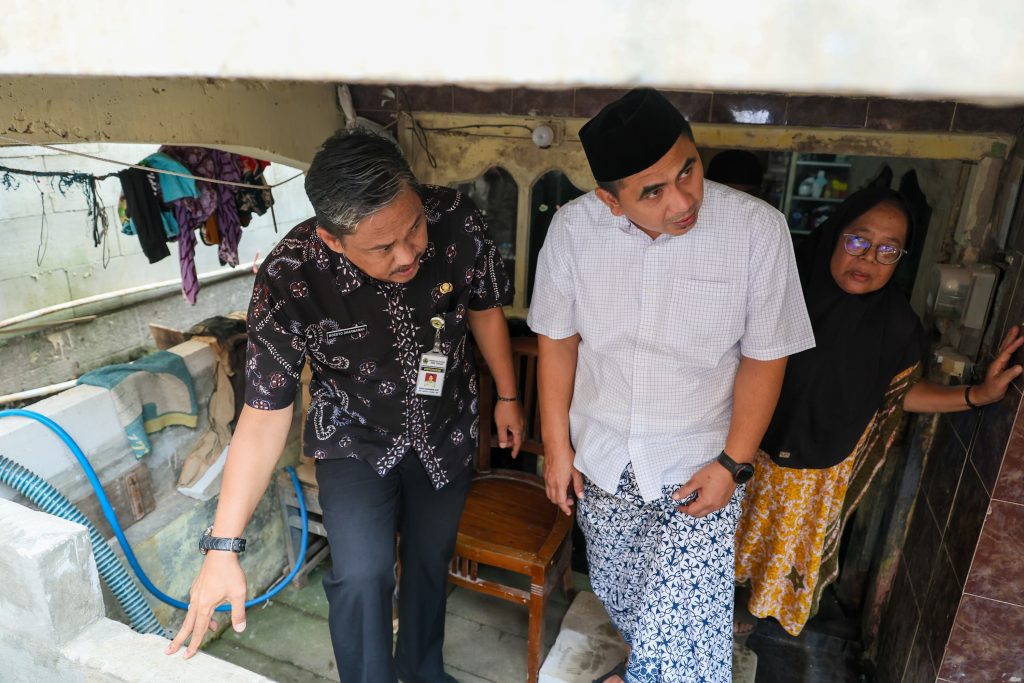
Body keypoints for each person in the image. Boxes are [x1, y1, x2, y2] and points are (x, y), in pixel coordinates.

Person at [165, 129, 524, 683]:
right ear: (333, 240)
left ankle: (421, 671)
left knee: (430, 562)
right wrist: (222, 548)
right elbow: (264, 411)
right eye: (382, 247)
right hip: (353, 436)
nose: (409, 254)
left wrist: (508, 395)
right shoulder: (290, 275)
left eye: (414, 228)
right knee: (361, 576)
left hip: (446, 427)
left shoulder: (456, 219)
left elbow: (482, 309)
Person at [527, 88, 816, 683]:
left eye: (688, 170)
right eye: (652, 192)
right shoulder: (573, 231)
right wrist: (556, 447)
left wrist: (733, 463)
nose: (683, 200)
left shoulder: (757, 231)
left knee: (684, 635)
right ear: (610, 200)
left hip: (699, 465)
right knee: (627, 597)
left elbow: (766, 357)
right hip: (604, 459)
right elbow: (558, 341)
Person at [733, 186, 1024, 638]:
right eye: (858, 240)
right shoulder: (780, 290)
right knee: (709, 561)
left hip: (813, 477)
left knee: (764, 577)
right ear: (833, 234)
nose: (868, 258)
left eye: (888, 250)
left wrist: (978, 395)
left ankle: (740, 630)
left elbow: (901, 395)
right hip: (739, 454)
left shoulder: (898, 326)